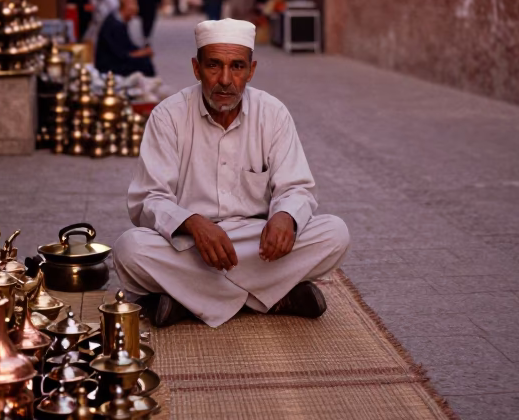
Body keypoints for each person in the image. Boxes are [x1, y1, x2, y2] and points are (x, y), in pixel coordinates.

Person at [113, 18, 350, 328]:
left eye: (237, 67)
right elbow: (148, 199)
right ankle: (273, 297)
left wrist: (285, 217)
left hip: (257, 244)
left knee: (335, 234)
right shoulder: (168, 116)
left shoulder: (273, 113)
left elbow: (296, 188)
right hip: (191, 248)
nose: (225, 79)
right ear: (196, 68)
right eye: (214, 66)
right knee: (130, 249)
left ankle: (189, 302)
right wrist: (192, 223)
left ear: (251, 71)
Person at [95, 0, 156, 77]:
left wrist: (142, 51)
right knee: (144, 64)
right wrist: (140, 53)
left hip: (115, 59)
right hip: (109, 65)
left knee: (144, 60)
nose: (132, 18)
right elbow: (120, 53)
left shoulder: (117, 21)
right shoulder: (114, 25)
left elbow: (127, 45)